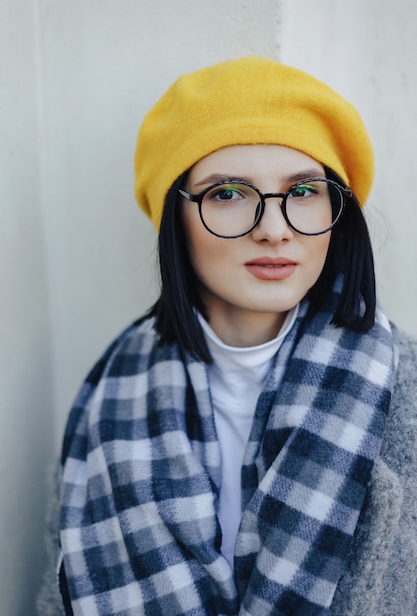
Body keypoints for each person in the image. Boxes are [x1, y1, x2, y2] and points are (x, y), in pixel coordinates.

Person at [37, 57, 417, 615]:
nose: (273, 227)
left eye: (305, 190)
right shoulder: (111, 398)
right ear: (176, 216)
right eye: (227, 194)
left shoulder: (402, 388)